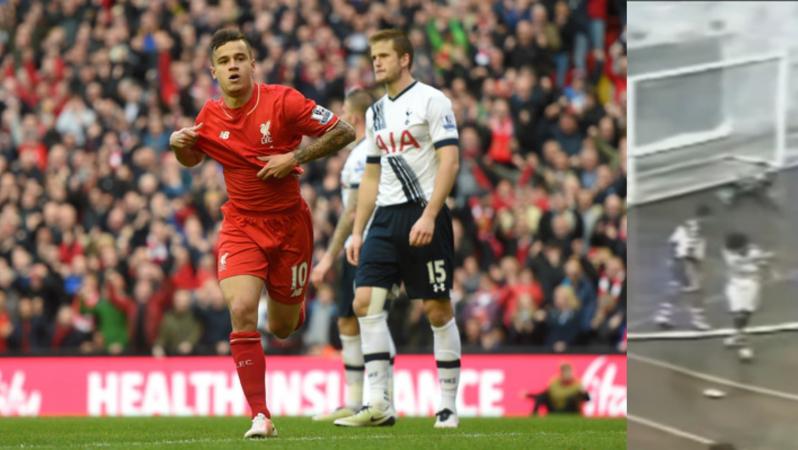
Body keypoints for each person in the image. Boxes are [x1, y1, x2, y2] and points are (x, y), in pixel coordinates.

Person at [168, 28, 355, 438]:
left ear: (253, 64)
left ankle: (291, 300)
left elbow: (344, 131)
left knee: (284, 327)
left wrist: (295, 156)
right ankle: (261, 415)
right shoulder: (209, 115)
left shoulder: (284, 101)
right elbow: (192, 159)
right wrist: (178, 144)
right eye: (224, 61)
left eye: (239, 58)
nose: (233, 66)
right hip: (241, 226)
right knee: (241, 309)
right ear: (214, 72)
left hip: (290, 227)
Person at [339, 29, 461, 429]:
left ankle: (447, 405)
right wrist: (358, 230)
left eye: (384, 56)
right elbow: (371, 175)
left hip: (424, 212)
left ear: (405, 59)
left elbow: (450, 162)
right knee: (364, 302)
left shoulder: (432, 100)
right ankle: (379, 403)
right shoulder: (375, 112)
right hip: (385, 218)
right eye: (373, 56)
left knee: (436, 308)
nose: (376, 62)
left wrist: (430, 215)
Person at [310, 89, 398, 422]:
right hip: (358, 244)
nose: (341, 117)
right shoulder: (358, 153)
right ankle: (355, 400)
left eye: (345, 111)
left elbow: (353, 210)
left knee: (371, 316)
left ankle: (383, 400)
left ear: (355, 116)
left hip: (369, 243)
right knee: (348, 319)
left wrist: (327, 258)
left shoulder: (364, 155)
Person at [655, 204, 711, 330]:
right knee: (697, 291)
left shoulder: (685, 225)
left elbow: (672, 242)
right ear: (704, 217)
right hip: (687, 262)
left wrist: (670, 259)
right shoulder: (699, 230)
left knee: (675, 288)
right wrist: (696, 268)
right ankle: (698, 320)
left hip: (677, 261)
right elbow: (691, 251)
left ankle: (663, 315)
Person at [722, 232, 773, 362]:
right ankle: (744, 347)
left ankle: (737, 335)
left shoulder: (755, 250)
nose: (736, 251)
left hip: (751, 284)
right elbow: (739, 262)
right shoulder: (728, 253)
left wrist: (766, 264)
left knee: (746, 314)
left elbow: (762, 263)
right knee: (738, 314)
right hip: (735, 284)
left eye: (739, 248)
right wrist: (761, 257)